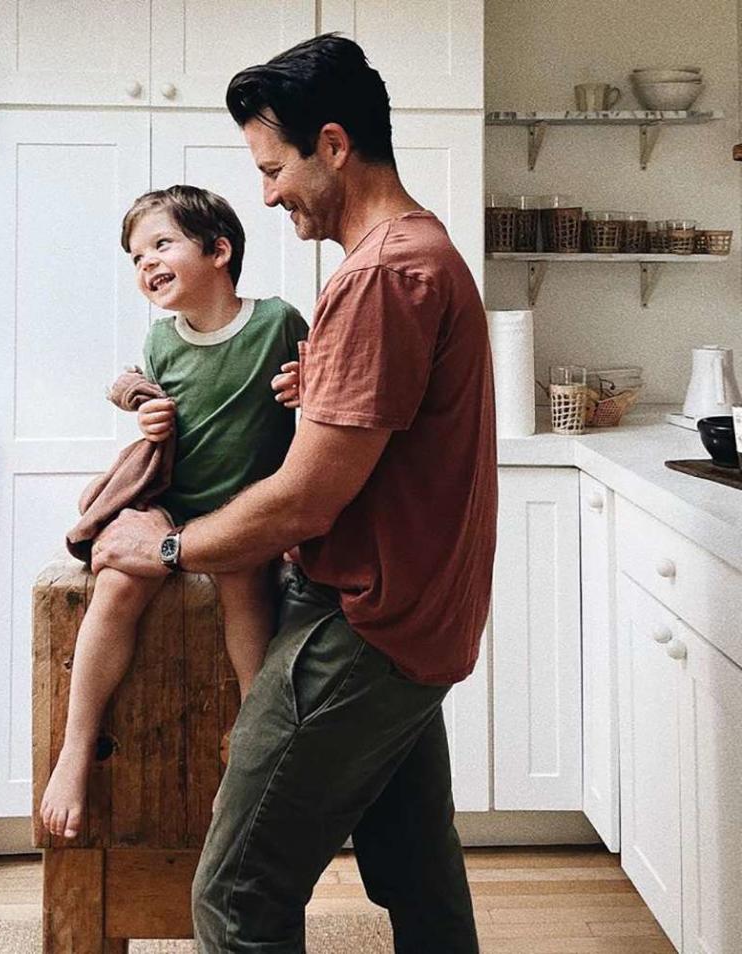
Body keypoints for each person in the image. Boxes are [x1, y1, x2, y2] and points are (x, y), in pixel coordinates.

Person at [92, 33, 497, 954]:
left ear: (334, 145)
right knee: (417, 878)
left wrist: (163, 547)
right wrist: (322, 390)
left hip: (361, 627)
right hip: (423, 618)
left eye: (274, 168)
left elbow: (305, 501)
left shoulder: (383, 274)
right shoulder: (422, 253)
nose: (268, 191)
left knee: (234, 896)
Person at [40, 185, 308, 841]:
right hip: (171, 512)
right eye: (135, 256)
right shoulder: (162, 339)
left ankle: (250, 748)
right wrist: (141, 402)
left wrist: (307, 385)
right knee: (117, 587)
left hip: (245, 515)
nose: (146, 264)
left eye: (161, 244)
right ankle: (77, 746)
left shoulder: (277, 322)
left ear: (219, 250)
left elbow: (327, 382)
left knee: (249, 596)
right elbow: (131, 381)